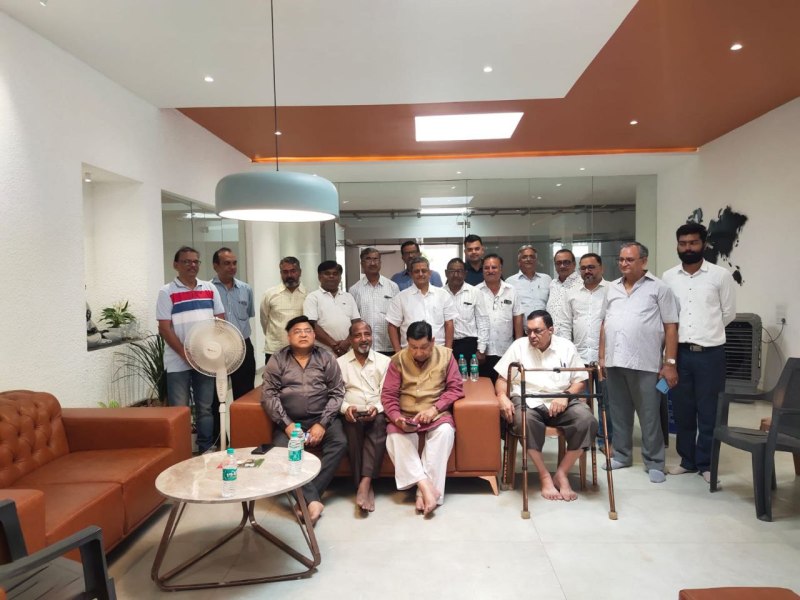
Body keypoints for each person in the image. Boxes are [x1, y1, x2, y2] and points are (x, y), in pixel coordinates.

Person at [495, 310, 597, 501]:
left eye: (538, 331)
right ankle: (544, 476)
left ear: (551, 330)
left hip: (561, 400)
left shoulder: (566, 347)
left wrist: (565, 396)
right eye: (529, 331)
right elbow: (502, 379)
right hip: (527, 400)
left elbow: (580, 381)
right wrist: (501, 396)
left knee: (587, 420)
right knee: (524, 421)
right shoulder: (519, 346)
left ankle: (561, 473)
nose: (532, 336)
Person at [599, 242, 680, 483]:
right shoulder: (611, 288)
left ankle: (654, 461)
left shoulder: (659, 288)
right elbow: (604, 323)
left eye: (629, 259)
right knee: (619, 413)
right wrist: (602, 357)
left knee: (649, 416)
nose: (623, 263)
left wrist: (670, 363)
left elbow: (671, 327)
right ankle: (622, 455)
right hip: (615, 362)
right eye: (621, 259)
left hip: (646, 364)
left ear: (643, 261)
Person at [662, 222, 736, 484]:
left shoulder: (720, 276)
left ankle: (706, 463)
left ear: (703, 244)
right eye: (683, 243)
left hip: (710, 354)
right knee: (683, 409)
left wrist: (707, 332)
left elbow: (728, 313)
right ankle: (687, 460)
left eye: (693, 243)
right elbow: (667, 317)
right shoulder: (668, 277)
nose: (688, 248)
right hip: (680, 353)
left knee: (709, 411)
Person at [261, 315, 347, 525]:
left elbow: (337, 393)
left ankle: (308, 498)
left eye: (307, 331)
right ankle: (313, 500)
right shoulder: (277, 359)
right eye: (297, 331)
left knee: (340, 442)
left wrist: (322, 424)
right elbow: (269, 395)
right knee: (281, 451)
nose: (303, 335)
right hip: (290, 420)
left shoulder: (326, 357)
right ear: (288, 337)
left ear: (314, 335)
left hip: (322, 417)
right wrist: (287, 425)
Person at [381, 321, 464, 515]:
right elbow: (388, 396)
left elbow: (456, 388)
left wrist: (435, 409)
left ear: (433, 341)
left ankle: (421, 494)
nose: (418, 352)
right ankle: (426, 487)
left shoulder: (446, 356)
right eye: (413, 347)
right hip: (406, 416)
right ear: (407, 342)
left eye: (424, 347)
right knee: (394, 438)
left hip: (436, 414)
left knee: (444, 433)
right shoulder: (397, 360)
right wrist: (397, 418)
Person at [157, 246, 225, 454]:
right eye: (186, 261)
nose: (192, 265)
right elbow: (164, 328)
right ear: (175, 265)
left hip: (205, 359)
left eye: (195, 261)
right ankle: (181, 453)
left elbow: (220, 321)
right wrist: (185, 354)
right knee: (180, 411)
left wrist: (209, 350)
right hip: (178, 362)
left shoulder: (210, 288)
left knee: (205, 408)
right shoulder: (167, 292)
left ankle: (206, 449)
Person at [558, 253, 612, 452]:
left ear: (601, 268)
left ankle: (606, 440)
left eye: (591, 267)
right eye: (583, 268)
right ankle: (584, 439)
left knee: (607, 402)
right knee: (581, 402)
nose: (587, 271)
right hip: (579, 357)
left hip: (605, 358)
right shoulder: (571, 293)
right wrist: (567, 354)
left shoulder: (612, 290)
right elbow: (565, 324)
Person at [337, 320, 391, 512]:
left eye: (367, 334)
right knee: (352, 430)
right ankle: (363, 486)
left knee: (378, 426)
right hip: (351, 412)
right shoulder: (339, 363)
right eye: (358, 335)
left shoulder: (384, 361)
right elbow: (335, 395)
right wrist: (346, 409)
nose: (363, 339)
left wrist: (377, 408)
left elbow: (387, 393)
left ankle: (364, 484)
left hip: (376, 410)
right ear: (351, 339)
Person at [211, 247, 256, 399]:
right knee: (216, 396)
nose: (232, 267)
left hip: (243, 346)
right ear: (216, 266)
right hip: (216, 348)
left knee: (245, 395)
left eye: (234, 263)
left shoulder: (246, 289)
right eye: (227, 263)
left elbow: (249, 313)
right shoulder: (208, 290)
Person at [386, 257, 456, 351]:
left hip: (438, 350)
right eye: (416, 271)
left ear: (429, 273)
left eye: (424, 271)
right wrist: (398, 353)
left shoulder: (443, 295)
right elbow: (392, 326)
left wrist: (447, 350)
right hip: (410, 351)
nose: (420, 274)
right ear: (411, 274)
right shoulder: (400, 298)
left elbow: (449, 324)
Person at [476, 254, 524, 383]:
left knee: (505, 386)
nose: (490, 270)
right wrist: (479, 349)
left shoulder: (511, 290)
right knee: (484, 387)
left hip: (506, 350)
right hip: (483, 352)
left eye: (494, 267)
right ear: (482, 270)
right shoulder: (475, 291)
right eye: (486, 268)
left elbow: (518, 317)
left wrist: (519, 345)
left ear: (501, 269)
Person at [348, 247, 400, 356]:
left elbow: (398, 317)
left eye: (376, 259)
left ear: (380, 262)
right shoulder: (354, 290)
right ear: (362, 263)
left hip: (388, 346)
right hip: (364, 347)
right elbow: (353, 321)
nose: (372, 263)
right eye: (368, 259)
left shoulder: (393, 287)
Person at [304, 261, 361, 357]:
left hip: (348, 351)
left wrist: (347, 343)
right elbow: (311, 325)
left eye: (335, 274)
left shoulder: (348, 297)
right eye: (327, 273)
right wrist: (334, 345)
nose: (331, 276)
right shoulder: (313, 297)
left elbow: (356, 322)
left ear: (340, 277)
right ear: (319, 277)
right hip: (322, 353)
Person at [260, 257, 307, 365]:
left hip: (300, 350)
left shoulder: (308, 295)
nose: (289, 275)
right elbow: (264, 320)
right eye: (285, 272)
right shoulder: (270, 294)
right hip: (274, 350)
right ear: (280, 273)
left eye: (293, 271)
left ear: (300, 272)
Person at [444, 257, 489, 361]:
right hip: (445, 345)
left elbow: (483, 321)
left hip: (468, 345)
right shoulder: (440, 294)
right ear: (446, 273)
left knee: (468, 372)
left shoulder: (475, 292)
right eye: (452, 271)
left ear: (465, 274)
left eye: (459, 271)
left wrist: (481, 349)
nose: (456, 275)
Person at [507, 244, 552, 330]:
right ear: (518, 262)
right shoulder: (510, 282)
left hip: (544, 330)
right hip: (522, 331)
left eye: (532, 257)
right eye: (524, 257)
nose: (528, 259)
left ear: (536, 261)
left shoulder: (547, 279)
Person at [546, 249, 582, 336]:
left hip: (572, 339)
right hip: (552, 337)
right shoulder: (553, 284)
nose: (562, 266)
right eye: (558, 263)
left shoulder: (582, 284)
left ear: (574, 264)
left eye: (566, 262)